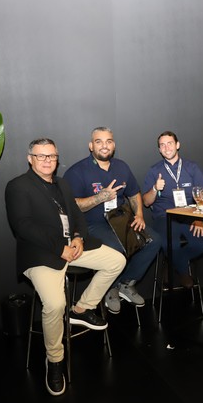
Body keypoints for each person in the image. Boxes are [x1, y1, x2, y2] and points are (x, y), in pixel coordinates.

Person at [5, 138, 125, 397]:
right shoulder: (17, 186)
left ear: (57, 158)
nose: (47, 160)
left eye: (51, 156)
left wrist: (79, 237)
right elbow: (23, 226)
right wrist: (60, 248)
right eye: (41, 156)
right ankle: (55, 360)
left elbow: (77, 216)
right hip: (41, 253)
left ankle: (81, 309)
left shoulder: (62, 183)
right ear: (30, 159)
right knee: (55, 304)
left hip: (73, 247)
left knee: (117, 260)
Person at [63, 127, 162, 314]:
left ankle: (125, 283)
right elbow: (73, 206)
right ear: (91, 146)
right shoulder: (77, 171)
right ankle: (111, 288)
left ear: (114, 145)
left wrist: (139, 215)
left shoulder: (121, 167)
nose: (104, 145)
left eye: (108, 141)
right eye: (99, 141)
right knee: (118, 247)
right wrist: (100, 197)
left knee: (154, 240)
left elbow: (134, 193)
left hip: (121, 220)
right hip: (92, 224)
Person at [143, 131, 203, 288]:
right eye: (162, 145)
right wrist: (155, 188)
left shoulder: (192, 167)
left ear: (177, 145)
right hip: (164, 217)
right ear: (159, 149)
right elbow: (146, 202)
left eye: (170, 143)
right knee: (169, 244)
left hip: (189, 215)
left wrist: (199, 218)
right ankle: (184, 272)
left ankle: (173, 262)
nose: (166, 148)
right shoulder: (154, 170)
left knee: (201, 244)